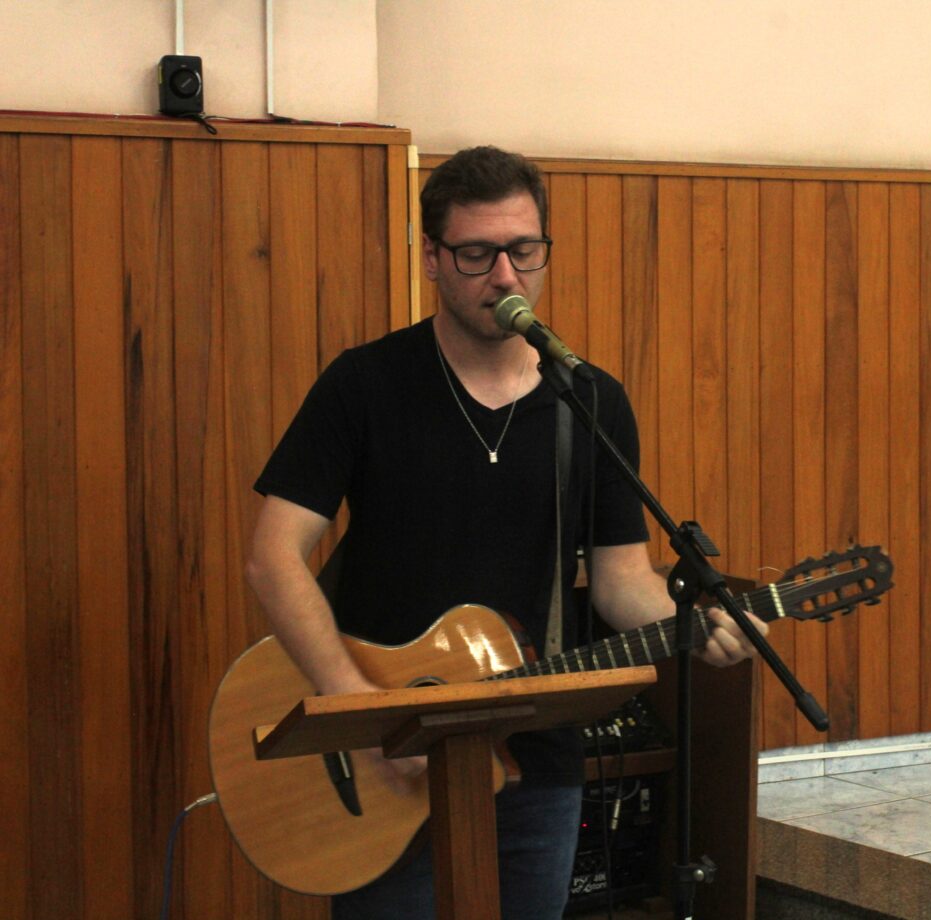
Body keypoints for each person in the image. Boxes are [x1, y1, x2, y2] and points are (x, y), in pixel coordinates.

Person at [244, 145, 767, 920]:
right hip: (390, 757)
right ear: (430, 256)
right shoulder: (366, 384)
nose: (505, 277)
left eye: (524, 251)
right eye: (477, 254)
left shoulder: (587, 402)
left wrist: (697, 626)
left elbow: (622, 581)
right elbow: (271, 556)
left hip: (536, 758)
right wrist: (361, 712)